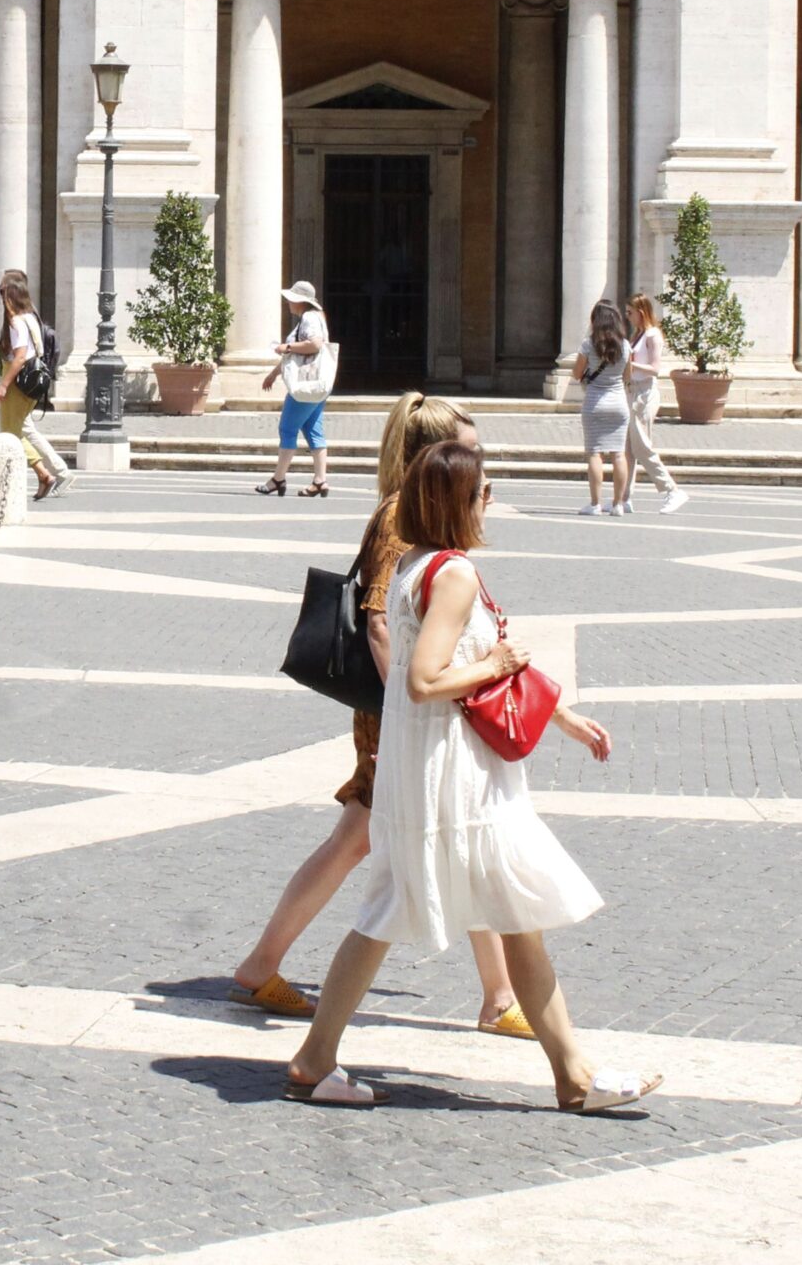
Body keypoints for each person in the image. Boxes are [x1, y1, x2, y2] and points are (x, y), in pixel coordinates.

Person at [284, 440, 656, 1113]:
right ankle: (571, 1076)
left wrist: (559, 715)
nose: (490, 502)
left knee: (453, 911)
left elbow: (462, 660)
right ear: (461, 501)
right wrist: (496, 664)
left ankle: (570, 1072)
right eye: (484, 491)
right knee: (461, 908)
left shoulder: (417, 566)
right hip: (456, 776)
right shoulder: (450, 574)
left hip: (432, 767)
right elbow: (426, 680)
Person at [227, 393, 528, 1039]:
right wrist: (412, 710)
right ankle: (265, 965)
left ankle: (499, 993)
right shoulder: (400, 517)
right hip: (396, 713)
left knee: (428, 833)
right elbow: (380, 623)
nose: (477, 465)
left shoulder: (406, 510)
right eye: (467, 452)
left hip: (402, 711)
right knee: (385, 837)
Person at [0, 270, 70, 501]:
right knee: (18, 431)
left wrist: (3, 385)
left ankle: (44, 474)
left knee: (10, 434)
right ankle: (43, 474)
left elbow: (19, 357)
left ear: (10, 297)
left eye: (1, 292)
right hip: (31, 383)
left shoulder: (16, 322)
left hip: (17, 381)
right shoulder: (31, 318)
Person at [258, 280, 332, 497]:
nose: (288, 302)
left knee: (287, 429)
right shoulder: (316, 317)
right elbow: (297, 357)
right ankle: (320, 480)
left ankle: (278, 478)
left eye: (291, 298)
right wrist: (274, 373)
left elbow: (315, 344)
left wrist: (285, 346)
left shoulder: (309, 318)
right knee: (313, 430)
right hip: (318, 385)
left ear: (299, 301)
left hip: (305, 386)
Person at [621, 294, 688, 516]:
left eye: (630, 312)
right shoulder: (638, 335)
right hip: (633, 390)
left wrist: (631, 363)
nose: (627, 316)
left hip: (645, 393)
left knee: (642, 446)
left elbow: (656, 368)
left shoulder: (652, 335)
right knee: (629, 449)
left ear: (641, 312)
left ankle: (671, 489)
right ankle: (624, 497)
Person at [571, 300, 633, 516]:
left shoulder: (589, 344)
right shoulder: (625, 345)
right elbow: (628, 376)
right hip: (618, 403)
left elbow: (576, 373)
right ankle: (617, 504)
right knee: (619, 454)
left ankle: (595, 503)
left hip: (595, 402)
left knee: (594, 453)